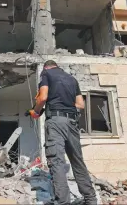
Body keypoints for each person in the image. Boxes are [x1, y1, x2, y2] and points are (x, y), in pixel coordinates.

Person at [29, 60, 97, 205]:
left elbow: (43, 97)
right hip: (72, 122)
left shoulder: (46, 73)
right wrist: (65, 103)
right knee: (77, 161)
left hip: (55, 122)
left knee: (57, 161)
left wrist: (35, 111)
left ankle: (63, 202)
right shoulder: (72, 79)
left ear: (46, 67)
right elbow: (81, 104)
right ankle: (91, 199)